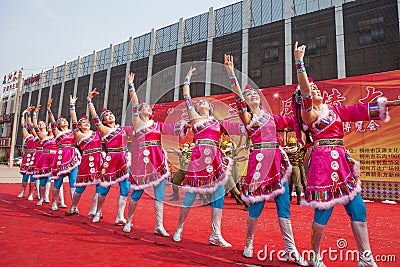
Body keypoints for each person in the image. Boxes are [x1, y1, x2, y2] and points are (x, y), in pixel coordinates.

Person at [293, 41, 400, 267]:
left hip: (341, 160)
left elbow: (358, 110)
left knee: (358, 207)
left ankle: (365, 257)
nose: (316, 90)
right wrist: (299, 63)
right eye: (313, 90)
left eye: (317, 88)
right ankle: (314, 256)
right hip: (323, 163)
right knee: (324, 209)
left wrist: (389, 104)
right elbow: (304, 91)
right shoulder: (308, 114)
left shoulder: (335, 111)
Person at [224, 54, 308, 266]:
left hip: (277, 163)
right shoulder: (247, 119)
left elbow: (296, 120)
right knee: (256, 208)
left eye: (254, 93)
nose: (252, 94)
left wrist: (301, 101)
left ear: (260, 99)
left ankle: (291, 249)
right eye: (248, 94)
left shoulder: (272, 118)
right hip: (259, 163)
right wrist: (230, 73)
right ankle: (249, 243)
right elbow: (238, 101)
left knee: (283, 206)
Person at [172, 67, 243, 248]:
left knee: (218, 193)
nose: (203, 102)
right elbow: (186, 96)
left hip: (215, 158)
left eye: (205, 101)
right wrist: (187, 77)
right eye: (200, 101)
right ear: (196, 107)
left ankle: (216, 234)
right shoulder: (194, 117)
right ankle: (179, 228)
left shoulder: (217, 122)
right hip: (199, 157)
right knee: (190, 195)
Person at [123, 72, 184, 236]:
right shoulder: (137, 123)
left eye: (149, 108)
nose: (148, 108)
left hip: (158, 161)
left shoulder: (158, 125)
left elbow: (173, 129)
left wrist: (188, 124)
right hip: (142, 163)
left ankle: (159, 225)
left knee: (159, 195)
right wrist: (131, 85)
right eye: (145, 107)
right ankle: (128, 221)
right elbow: (135, 102)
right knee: (136, 193)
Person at [87, 89, 130, 225]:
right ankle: (98, 212)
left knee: (125, 188)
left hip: (123, 159)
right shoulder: (104, 130)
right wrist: (89, 100)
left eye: (111, 114)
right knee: (104, 187)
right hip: (111, 159)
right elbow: (94, 116)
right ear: (103, 121)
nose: (110, 116)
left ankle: (120, 217)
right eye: (106, 115)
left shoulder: (122, 129)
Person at [65, 95, 102, 217]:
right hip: (86, 160)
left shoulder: (97, 133)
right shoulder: (78, 134)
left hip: (99, 160)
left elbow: (96, 118)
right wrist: (72, 105)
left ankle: (94, 209)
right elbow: (74, 120)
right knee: (81, 186)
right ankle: (73, 206)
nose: (86, 123)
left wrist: (89, 101)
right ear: (79, 126)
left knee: (100, 185)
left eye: (87, 122)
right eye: (83, 123)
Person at [47, 98, 81, 211]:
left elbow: (74, 119)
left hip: (72, 157)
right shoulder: (57, 133)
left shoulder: (73, 131)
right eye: (62, 121)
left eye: (66, 120)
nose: (65, 121)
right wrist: (49, 110)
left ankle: (74, 205)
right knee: (58, 181)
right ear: (58, 124)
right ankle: (54, 203)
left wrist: (72, 105)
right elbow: (52, 123)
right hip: (61, 158)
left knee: (73, 182)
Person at [32, 105, 57, 206]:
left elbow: (54, 123)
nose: (51, 126)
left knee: (52, 179)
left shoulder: (57, 136)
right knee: (43, 178)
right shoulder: (43, 137)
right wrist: (34, 113)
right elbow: (35, 127)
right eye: (49, 125)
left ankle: (50, 197)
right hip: (45, 159)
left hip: (55, 159)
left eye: (52, 125)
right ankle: (41, 197)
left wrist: (49, 110)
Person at [220, 139, 249, 210]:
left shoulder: (230, 155)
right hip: (222, 175)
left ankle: (246, 204)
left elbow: (236, 154)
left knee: (235, 190)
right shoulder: (221, 153)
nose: (229, 148)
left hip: (227, 175)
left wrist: (245, 155)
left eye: (230, 147)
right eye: (227, 146)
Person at [17, 106, 36, 200]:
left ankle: (31, 194)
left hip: (36, 156)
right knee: (25, 176)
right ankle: (23, 191)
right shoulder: (27, 135)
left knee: (33, 177)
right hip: (28, 156)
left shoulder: (40, 136)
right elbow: (23, 124)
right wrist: (24, 113)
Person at [283, 136, 307, 205]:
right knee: (296, 183)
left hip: (293, 167)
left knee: (296, 183)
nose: (292, 146)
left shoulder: (286, 149)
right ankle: (297, 199)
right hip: (295, 166)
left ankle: (295, 198)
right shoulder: (300, 148)